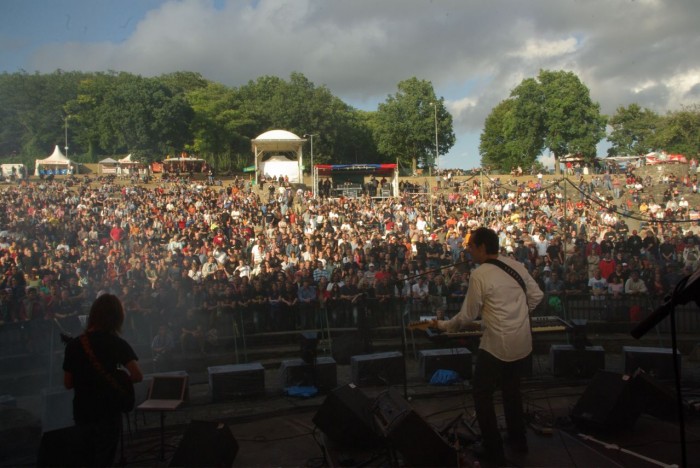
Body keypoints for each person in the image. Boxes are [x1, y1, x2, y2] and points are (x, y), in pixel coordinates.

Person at [434, 227, 543, 463]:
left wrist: (444, 326)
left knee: (481, 393)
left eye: (471, 246)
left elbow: (467, 316)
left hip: (496, 344)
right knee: (511, 391)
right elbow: (536, 296)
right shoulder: (516, 265)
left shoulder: (480, 274)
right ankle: (518, 440)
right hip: (522, 342)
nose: (469, 251)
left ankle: (493, 449)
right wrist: (519, 316)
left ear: (482, 247)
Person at [62, 293, 143, 466]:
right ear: (116, 317)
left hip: (83, 411)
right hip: (108, 410)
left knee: (86, 458)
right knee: (104, 458)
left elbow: (68, 383)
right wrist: (117, 378)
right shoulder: (116, 343)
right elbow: (137, 375)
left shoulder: (75, 345)